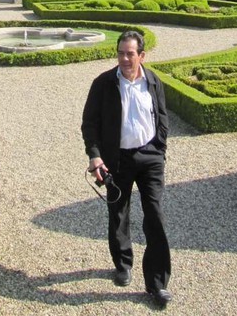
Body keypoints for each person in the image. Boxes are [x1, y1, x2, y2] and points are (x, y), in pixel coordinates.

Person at [81, 29, 172, 307]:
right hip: (115, 159)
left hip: (149, 158)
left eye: (129, 53)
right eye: (120, 52)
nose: (123, 58)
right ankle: (123, 264)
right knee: (118, 213)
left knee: (154, 216)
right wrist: (95, 156)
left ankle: (158, 283)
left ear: (141, 55)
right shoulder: (104, 83)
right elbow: (89, 124)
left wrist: (159, 149)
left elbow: (162, 116)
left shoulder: (153, 81)